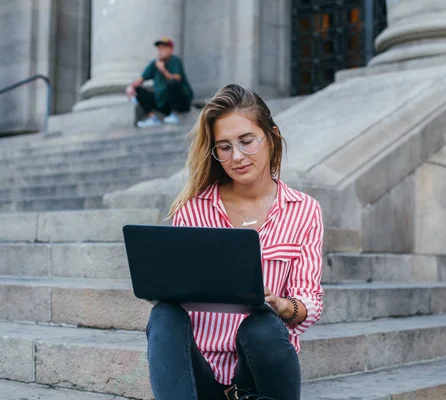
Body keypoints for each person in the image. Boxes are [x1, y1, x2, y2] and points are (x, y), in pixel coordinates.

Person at [146, 84, 324, 400]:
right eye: (224, 147)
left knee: (262, 325)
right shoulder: (194, 210)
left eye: (246, 141)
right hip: (201, 376)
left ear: (270, 136)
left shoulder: (304, 210)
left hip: (258, 370)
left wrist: (282, 305)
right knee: (163, 315)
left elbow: (309, 302)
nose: (237, 156)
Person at [126, 36, 194, 128]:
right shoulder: (154, 63)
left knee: (172, 83)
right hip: (163, 102)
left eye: (163, 48)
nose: (160, 51)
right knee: (138, 90)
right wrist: (131, 87)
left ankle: (173, 114)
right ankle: (153, 118)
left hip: (181, 102)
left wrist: (162, 69)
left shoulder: (175, 60)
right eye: (159, 49)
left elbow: (177, 79)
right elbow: (140, 80)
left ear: (171, 50)